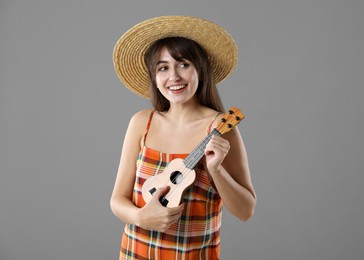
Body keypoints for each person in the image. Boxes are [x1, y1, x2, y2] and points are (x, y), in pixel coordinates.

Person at [110, 16, 256, 260]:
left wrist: (216, 170)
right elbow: (117, 199)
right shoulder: (142, 123)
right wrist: (140, 217)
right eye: (163, 67)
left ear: (200, 69)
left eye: (183, 64)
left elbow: (245, 211)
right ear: (155, 79)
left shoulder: (220, 128)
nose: (174, 77)